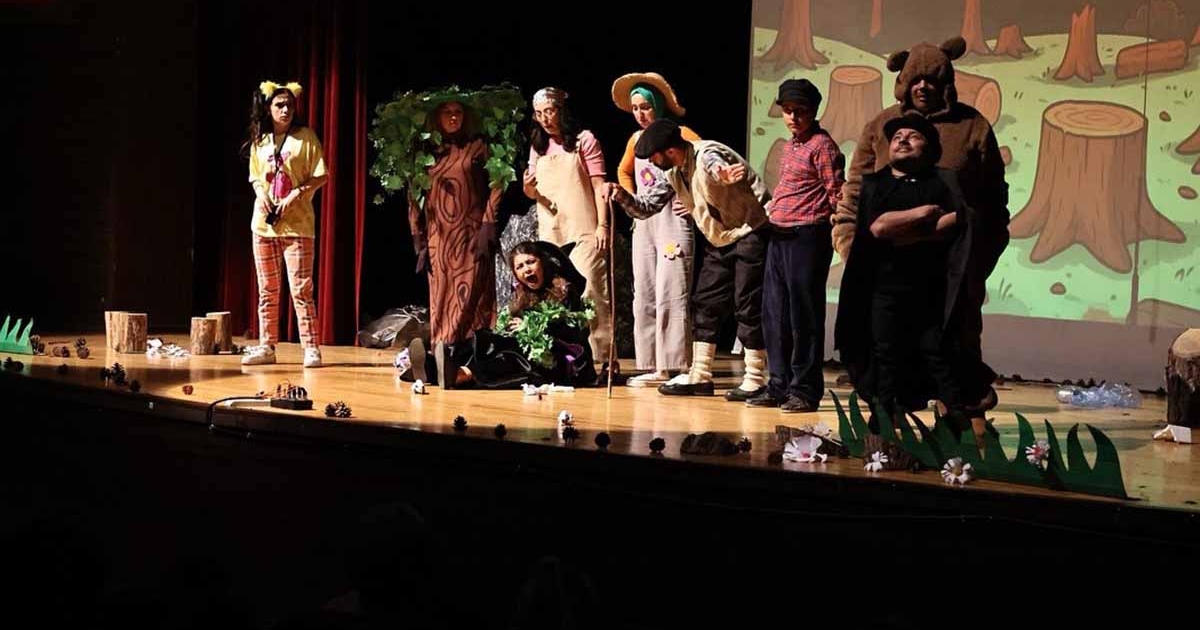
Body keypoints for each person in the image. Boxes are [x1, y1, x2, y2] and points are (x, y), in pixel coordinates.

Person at [832, 36, 1008, 434]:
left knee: (954, 347)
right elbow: (855, 192)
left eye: (932, 79)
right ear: (903, 82)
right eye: (915, 79)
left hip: (949, 271)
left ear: (946, 83)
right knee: (885, 347)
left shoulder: (972, 126)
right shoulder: (882, 126)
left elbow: (994, 198)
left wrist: (980, 256)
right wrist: (850, 246)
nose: (923, 86)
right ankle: (889, 426)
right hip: (888, 268)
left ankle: (962, 426)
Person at [605, 119, 770, 401]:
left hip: (750, 232)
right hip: (720, 239)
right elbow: (646, 208)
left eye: (654, 157)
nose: (651, 163)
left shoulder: (706, 154)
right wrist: (621, 195)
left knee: (747, 305)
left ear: (669, 151)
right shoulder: (673, 172)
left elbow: (716, 166)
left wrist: (723, 174)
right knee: (705, 302)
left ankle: (755, 378)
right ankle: (700, 374)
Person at [835, 114, 979, 434]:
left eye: (913, 136)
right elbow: (877, 228)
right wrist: (923, 213)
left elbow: (956, 221)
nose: (902, 140)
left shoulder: (943, 181)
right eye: (897, 136)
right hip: (882, 286)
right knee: (884, 353)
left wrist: (902, 232)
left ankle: (958, 423)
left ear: (929, 148)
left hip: (931, 286)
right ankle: (884, 420)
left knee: (936, 352)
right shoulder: (875, 184)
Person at [748, 79, 844, 413]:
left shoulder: (823, 146)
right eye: (787, 111)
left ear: (813, 111)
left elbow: (837, 194)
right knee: (774, 315)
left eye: (799, 111)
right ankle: (779, 385)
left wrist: (842, 232)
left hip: (807, 237)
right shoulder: (791, 146)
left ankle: (805, 389)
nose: (792, 117)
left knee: (804, 316)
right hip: (780, 235)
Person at [408, 97, 504, 388]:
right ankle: (438, 357)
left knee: (471, 298)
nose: (453, 117)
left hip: (471, 234)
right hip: (438, 237)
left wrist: (489, 223)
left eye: (458, 112)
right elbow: (414, 195)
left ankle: (456, 360)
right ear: (437, 117)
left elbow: (497, 182)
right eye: (447, 112)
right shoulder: (425, 152)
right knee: (441, 299)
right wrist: (418, 237)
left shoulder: (478, 146)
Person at [611, 72, 699, 388]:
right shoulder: (636, 140)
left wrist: (693, 201)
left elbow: (700, 166)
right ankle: (649, 363)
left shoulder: (680, 134)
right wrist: (631, 197)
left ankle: (672, 364)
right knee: (645, 291)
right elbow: (623, 170)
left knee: (671, 290)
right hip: (644, 220)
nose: (640, 114)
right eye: (635, 108)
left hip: (672, 219)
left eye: (645, 107)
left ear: (658, 105)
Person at [523, 88, 614, 380]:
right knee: (554, 297)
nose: (545, 119)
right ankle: (567, 363)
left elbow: (600, 186)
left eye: (549, 111)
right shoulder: (538, 147)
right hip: (551, 231)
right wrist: (528, 186)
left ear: (562, 110)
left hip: (584, 228)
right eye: (539, 114)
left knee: (590, 292)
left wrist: (603, 225)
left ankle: (605, 361)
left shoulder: (584, 141)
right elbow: (531, 192)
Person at [242, 80, 328, 367]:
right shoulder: (261, 140)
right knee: (267, 290)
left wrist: (297, 193)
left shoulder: (306, 137)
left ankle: (311, 348)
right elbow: (255, 176)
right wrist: (261, 194)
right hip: (264, 226)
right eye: (279, 105)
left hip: (298, 226)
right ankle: (267, 346)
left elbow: (321, 175)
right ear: (269, 108)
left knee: (301, 290)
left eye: (289, 105)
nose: (285, 110)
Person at [450, 241, 598, 388]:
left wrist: (529, 327)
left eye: (531, 262)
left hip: (560, 362)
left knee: (516, 353)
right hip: (532, 356)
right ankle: (449, 360)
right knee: (488, 338)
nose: (526, 269)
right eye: (519, 266)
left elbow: (571, 333)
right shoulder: (523, 298)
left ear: (542, 263)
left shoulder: (565, 291)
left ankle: (465, 374)